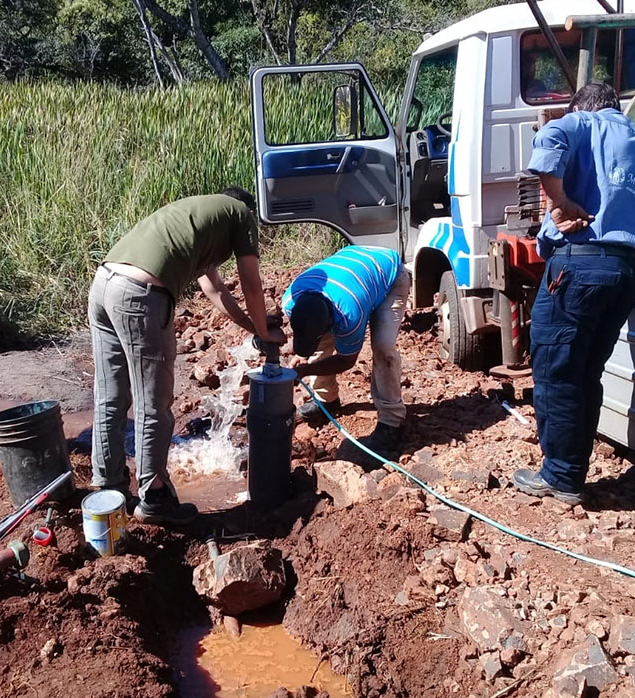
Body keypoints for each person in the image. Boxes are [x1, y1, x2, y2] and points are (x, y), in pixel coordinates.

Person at [89, 188, 285, 525]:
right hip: (140, 295)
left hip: (104, 284)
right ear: (246, 210)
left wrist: (251, 328)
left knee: (111, 396)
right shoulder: (241, 214)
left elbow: (215, 289)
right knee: (154, 404)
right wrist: (266, 333)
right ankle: (154, 497)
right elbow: (251, 285)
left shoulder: (199, 218)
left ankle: (109, 487)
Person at [512, 82, 635, 504]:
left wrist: (558, 201)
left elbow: (548, 139)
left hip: (581, 267)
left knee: (556, 370)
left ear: (582, 108)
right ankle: (571, 472)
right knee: (585, 373)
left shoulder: (583, 122)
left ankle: (560, 475)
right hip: (627, 272)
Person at [283, 245, 411, 464]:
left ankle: (392, 422)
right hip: (353, 269)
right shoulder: (290, 300)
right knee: (322, 342)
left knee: (383, 347)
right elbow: (309, 332)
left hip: (390, 275)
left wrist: (304, 370)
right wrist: (302, 357)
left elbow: (346, 361)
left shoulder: (350, 314)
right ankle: (327, 401)